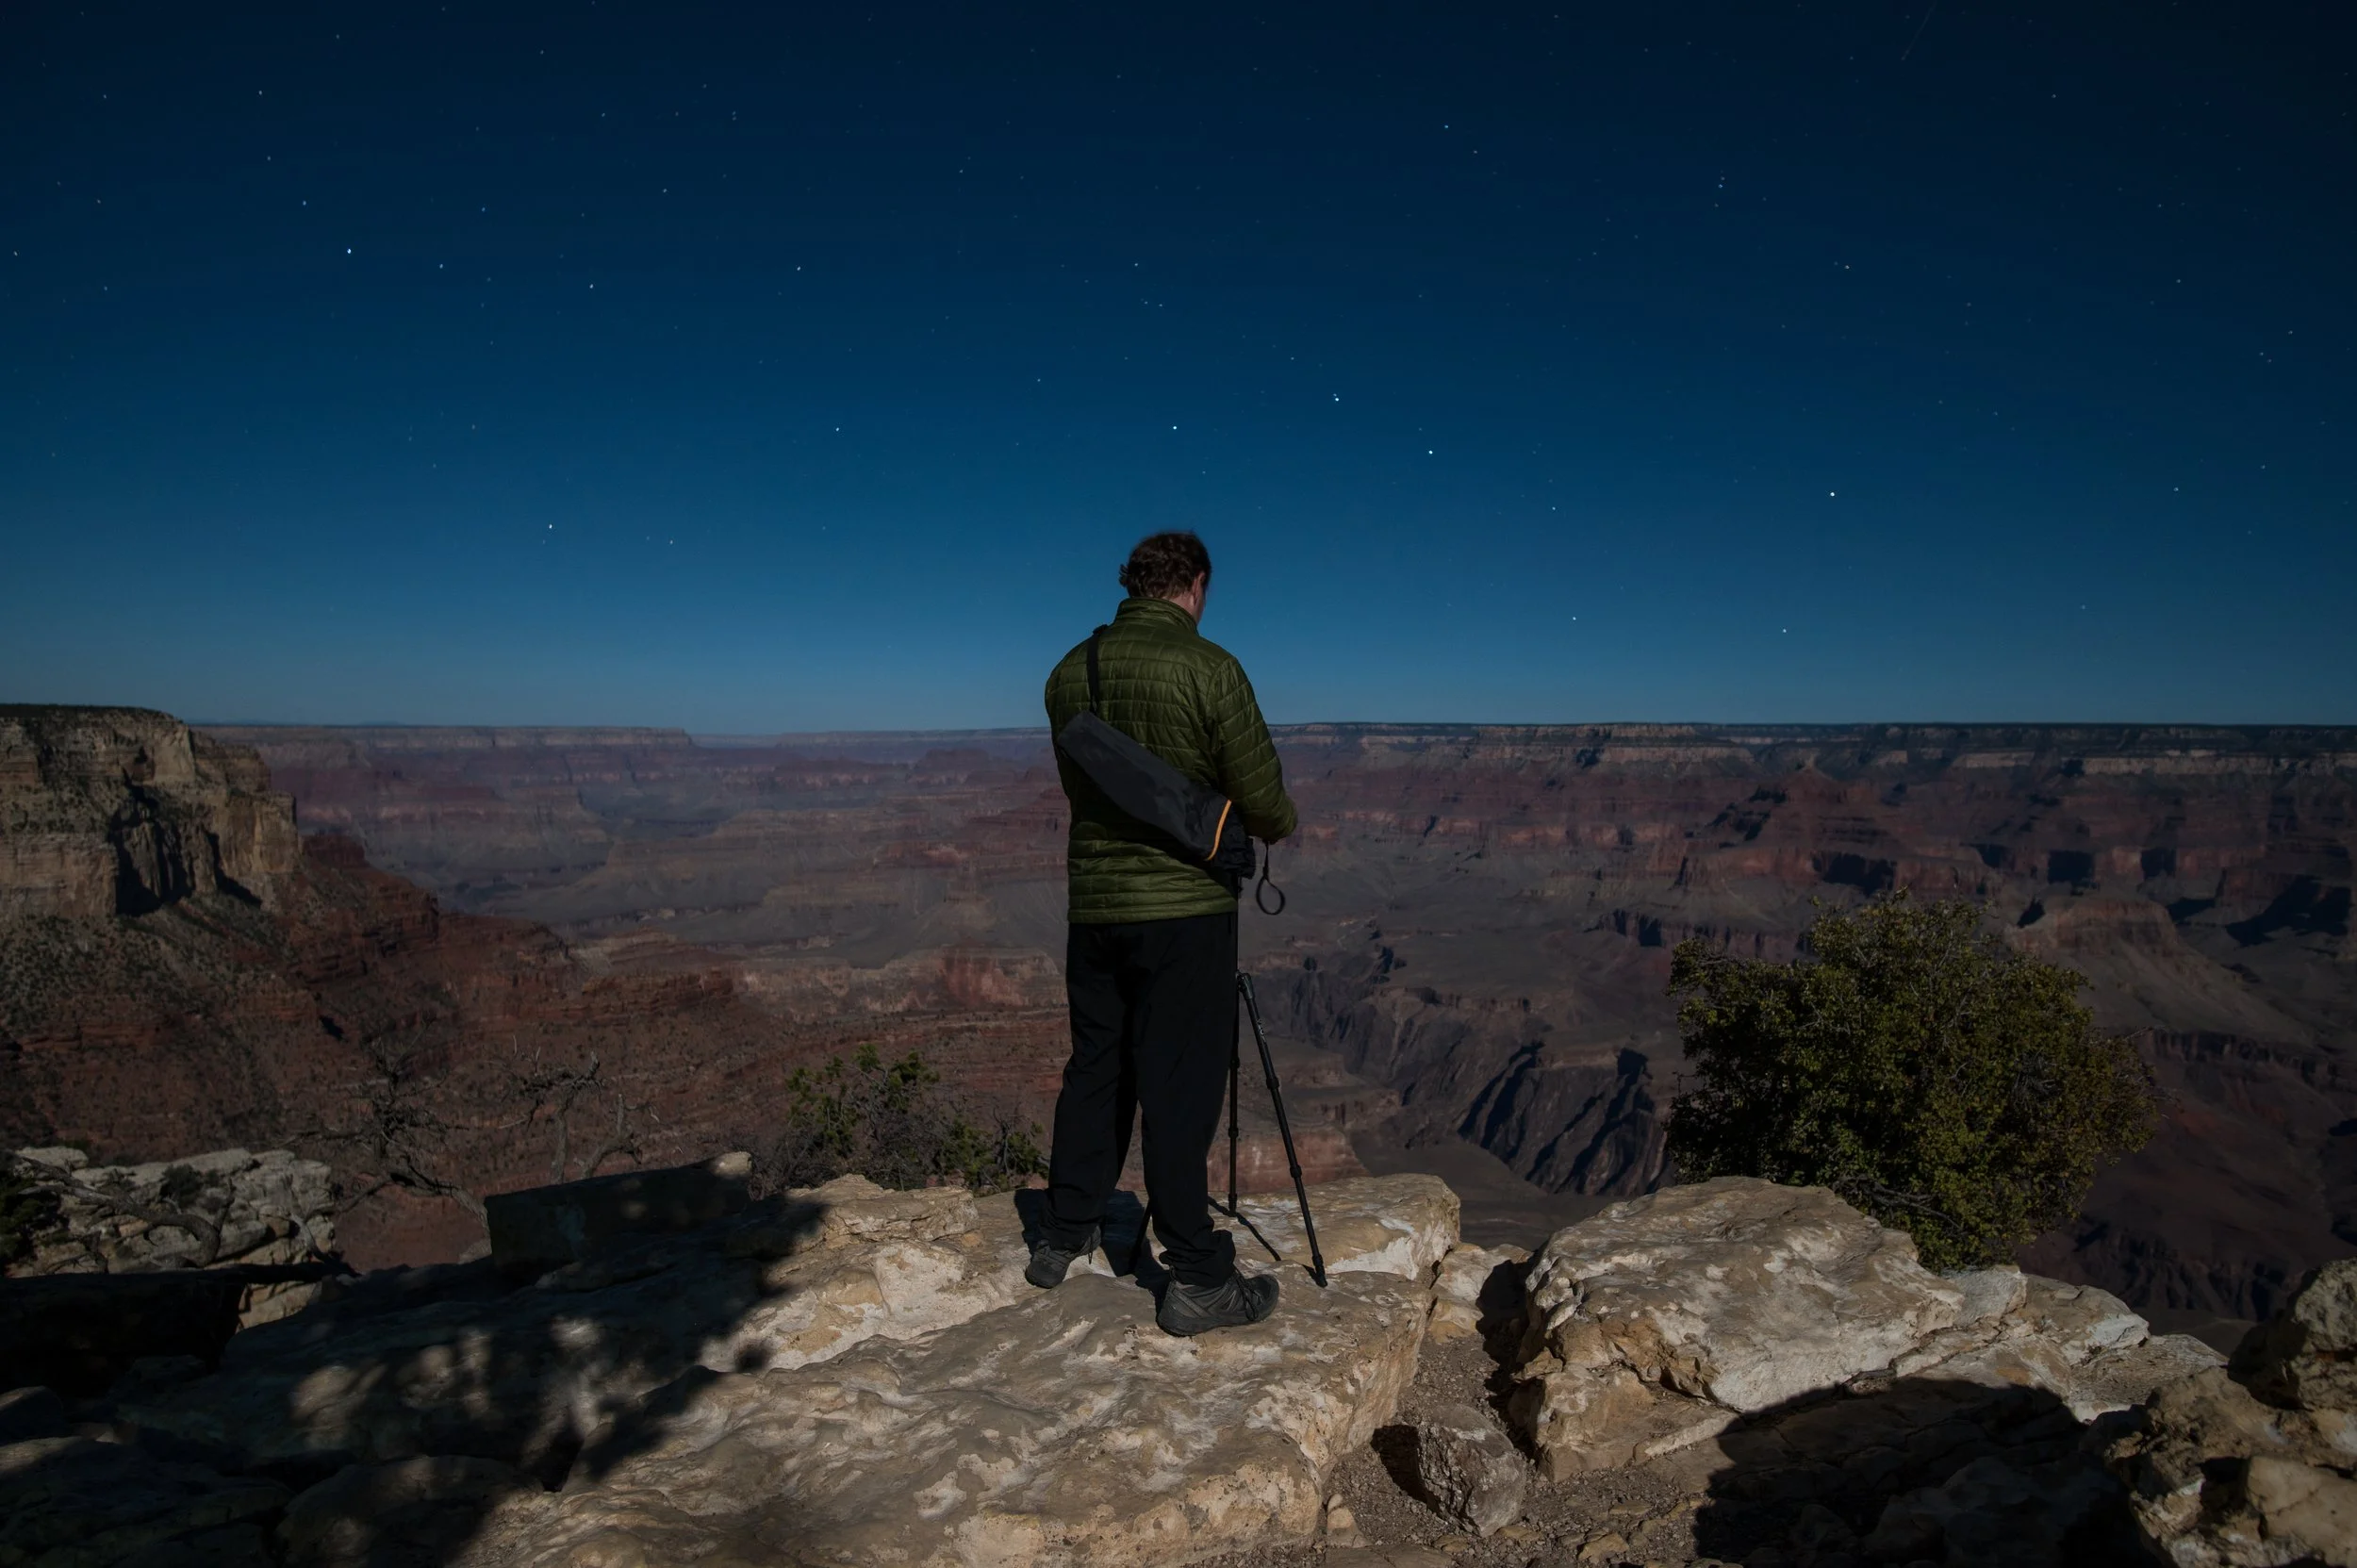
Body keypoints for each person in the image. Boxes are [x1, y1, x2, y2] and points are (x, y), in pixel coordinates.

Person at [1027, 530, 1299, 1335]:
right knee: (1179, 1086)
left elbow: (1086, 786)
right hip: (1185, 911)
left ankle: (1063, 1231)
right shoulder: (1212, 669)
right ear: (1196, 584)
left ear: (1131, 583)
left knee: (1098, 1064)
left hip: (1096, 908)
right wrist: (1270, 822)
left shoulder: (1068, 672)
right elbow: (1264, 799)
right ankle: (1199, 1276)